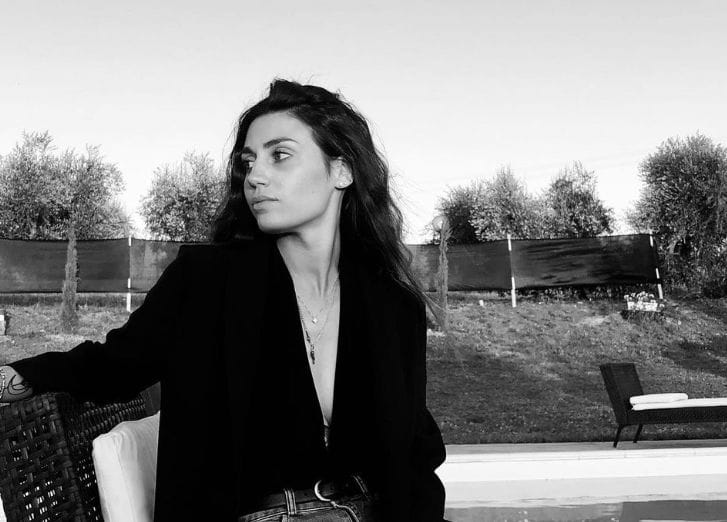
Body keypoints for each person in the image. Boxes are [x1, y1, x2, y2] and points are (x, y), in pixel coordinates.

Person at [0, 79, 447, 521]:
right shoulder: (208, 281)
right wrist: (16, 377)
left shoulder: (392, 304)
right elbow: (113, 366)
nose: (255, 176)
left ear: (342, 171)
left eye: (280, 155)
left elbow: (415, 450)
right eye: (248, 162)